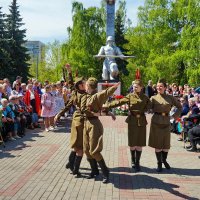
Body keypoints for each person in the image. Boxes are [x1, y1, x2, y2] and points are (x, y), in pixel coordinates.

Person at [104, 79, 151, 172]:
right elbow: (119, 102)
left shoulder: (145, 98)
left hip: (141, 120)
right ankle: (133, 161)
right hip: (132, 120)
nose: (134, 87)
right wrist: (108, 105)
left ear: (141, 87)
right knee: (132, 142)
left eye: (136, 86)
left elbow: (149, 107)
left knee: (140, 142)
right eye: (133, 86)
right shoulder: (130, 96)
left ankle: (138, 162)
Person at [81, 78, 119, 183]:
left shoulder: (96, 95)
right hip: (86, 123)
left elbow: (105, 93)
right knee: (86, 150)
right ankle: (94, 171)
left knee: (94, 150)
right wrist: (107, 112)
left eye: (86, 84)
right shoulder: (86, 96)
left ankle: (106, 173)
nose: (85, 86)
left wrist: (114, 87)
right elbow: (99, 107)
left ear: (89, 86)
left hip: (94, 124)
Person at [54, 65, 86, 177]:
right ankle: (75, 170)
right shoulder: (82, 94)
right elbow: (68, 105)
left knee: (76, 146)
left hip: (77, 121)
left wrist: (69, 72)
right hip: (81, 122)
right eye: (84, 83)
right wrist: (59, 114)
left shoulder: (75, 93)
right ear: (80, 86)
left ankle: (70, 163)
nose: (85, 84)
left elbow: (67, 106)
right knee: (80, 147)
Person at [148, 79, 182, 172]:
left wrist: (175, 116)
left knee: (166, 145)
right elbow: (147, 107)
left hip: (166, 121)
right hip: (156, 122)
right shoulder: (153, 98)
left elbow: (179, 106)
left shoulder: (170, 97)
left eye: (161, 86)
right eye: (158, 86)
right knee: (158, 144)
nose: (159, 88)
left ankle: (164, 160)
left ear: (165, 87)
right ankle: (159, 163)